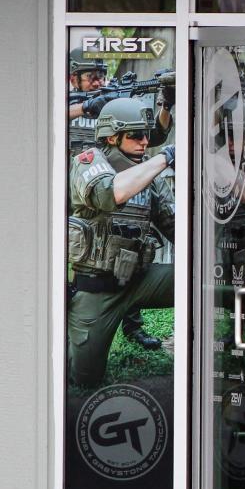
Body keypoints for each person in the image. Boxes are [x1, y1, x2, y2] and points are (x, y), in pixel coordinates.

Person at [67, 47, 174, 350]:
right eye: (92, 76)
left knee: (125, 241)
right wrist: (87, 107)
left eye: (102, 75)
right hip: (76, 187)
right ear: (73, 77)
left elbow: (150, 137)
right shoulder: (68, 103)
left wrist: (166, 106)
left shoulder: (114, 108)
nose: (99, 81)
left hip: (118, 184)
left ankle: (131, 324)